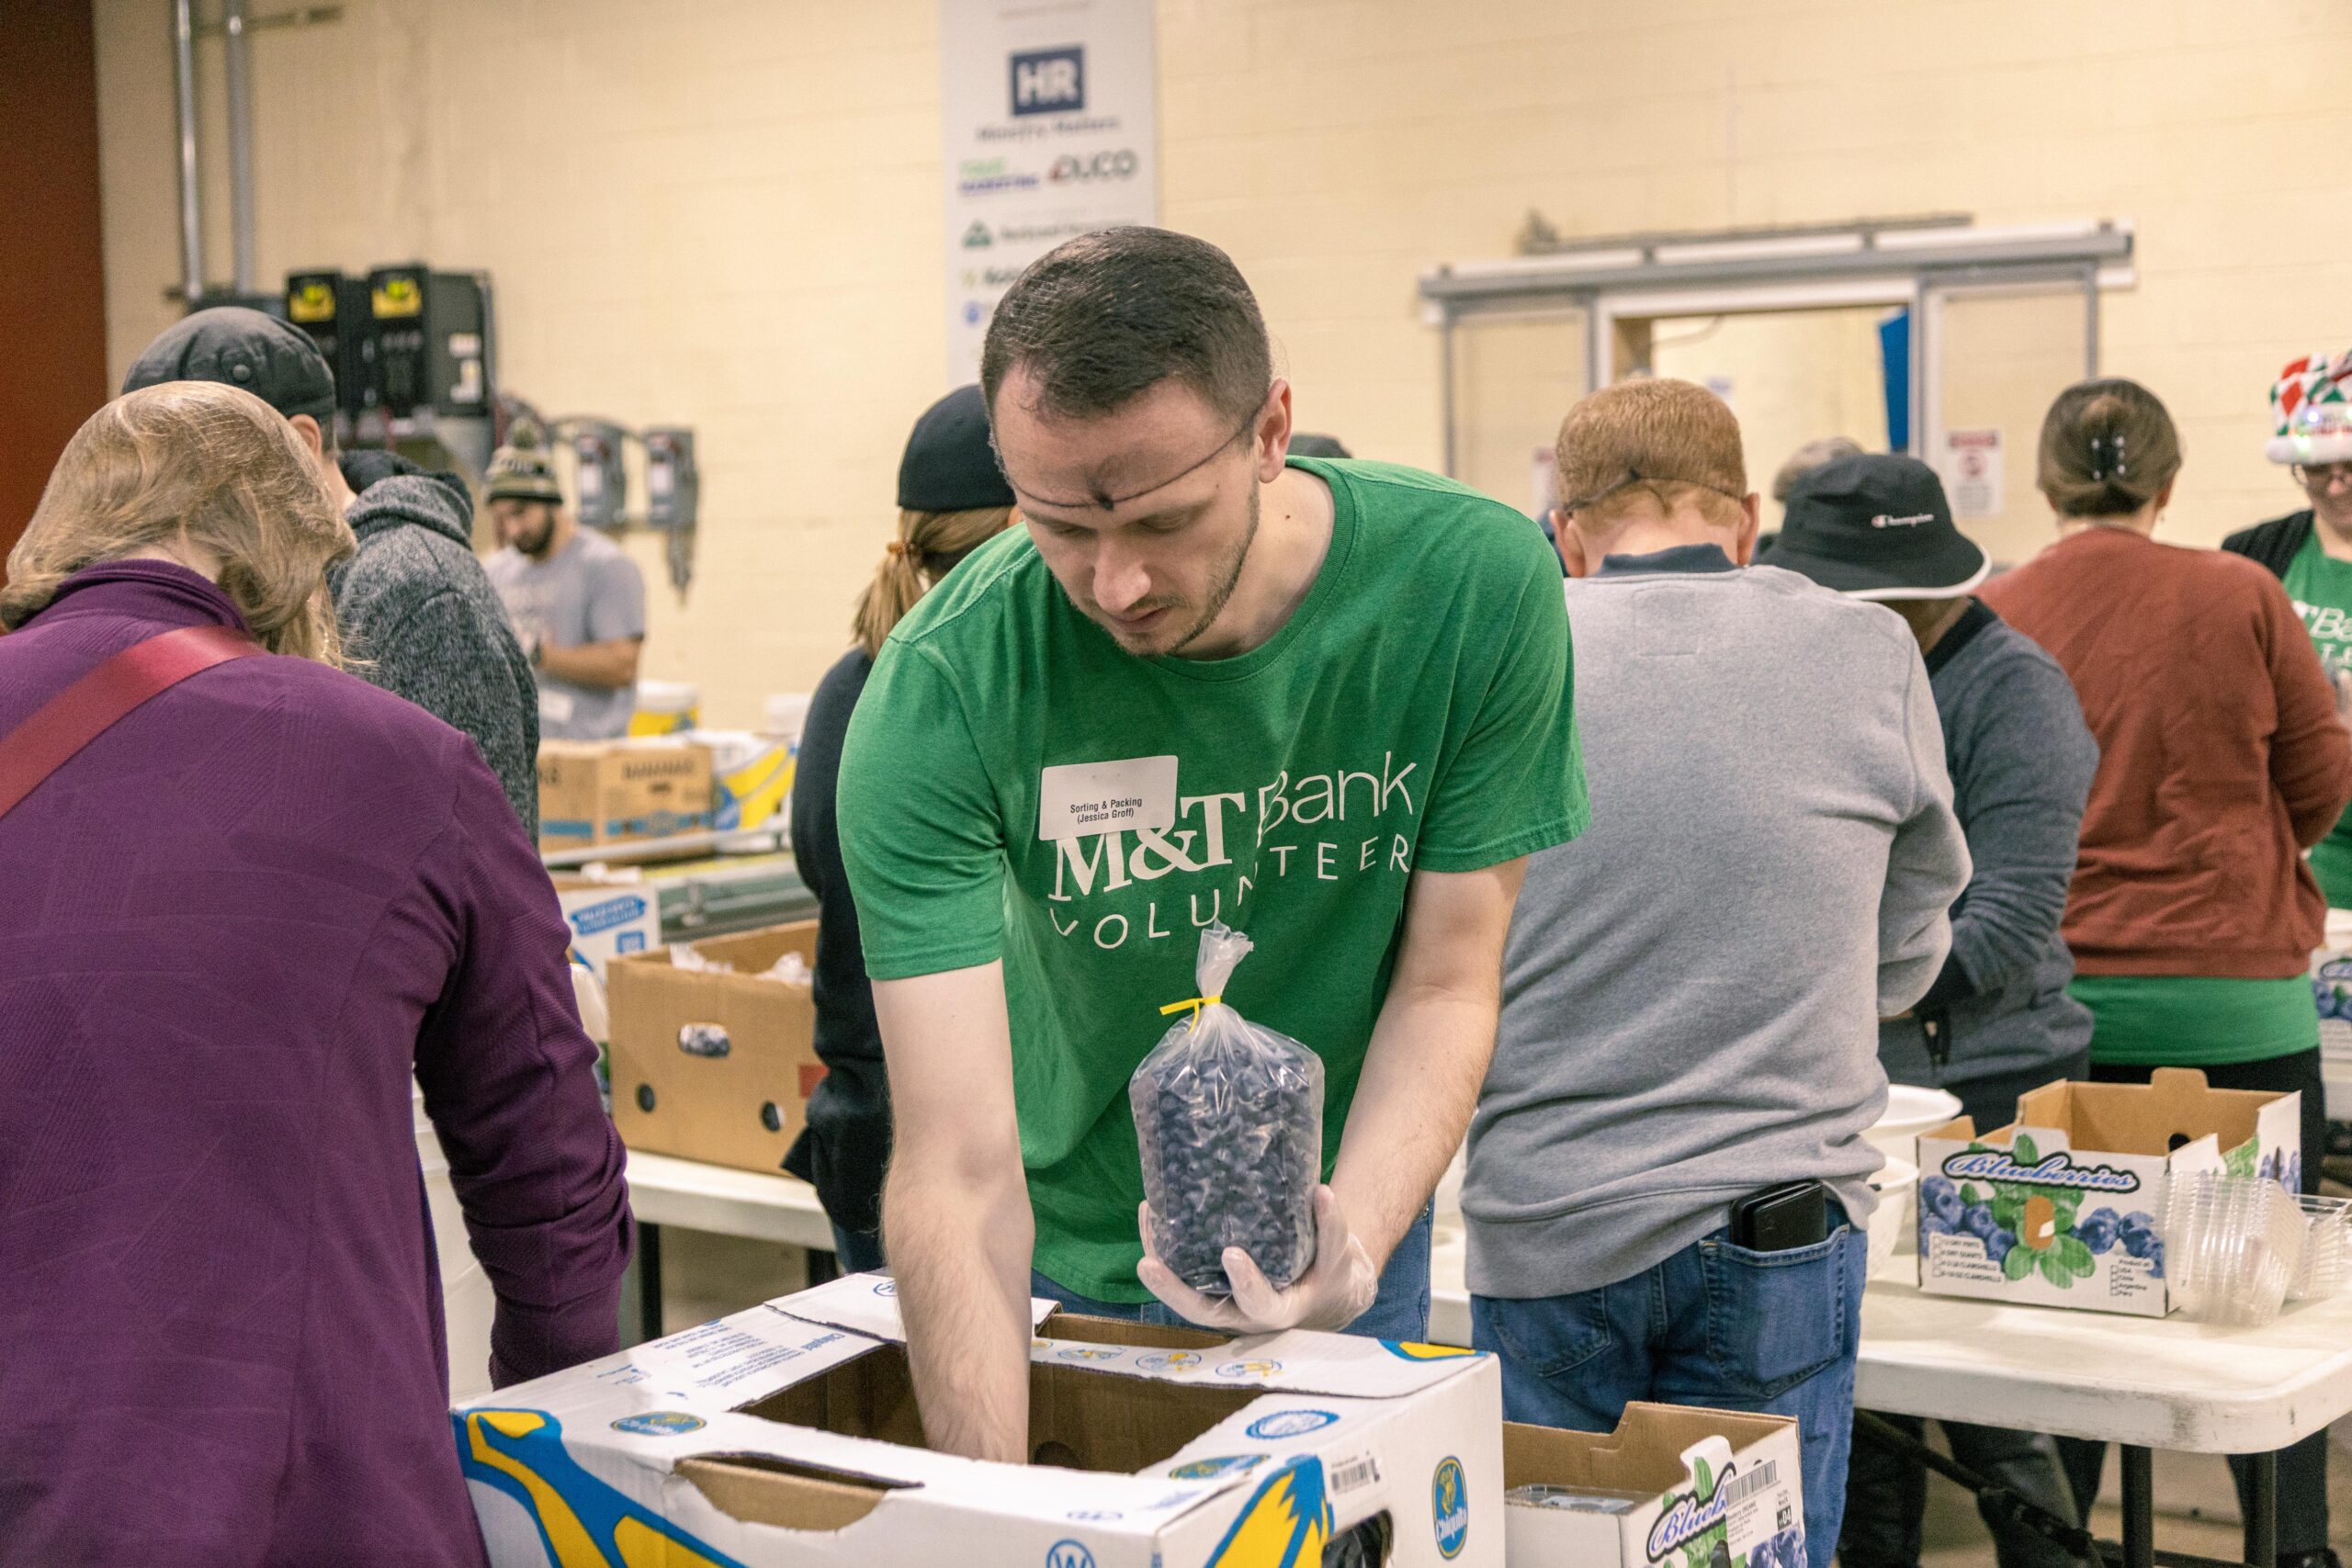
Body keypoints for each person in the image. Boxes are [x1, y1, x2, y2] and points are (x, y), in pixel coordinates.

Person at [838, 227, 1585, 1461]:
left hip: (1340, 1227)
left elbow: (1450, 973)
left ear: (1271, 429)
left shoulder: (1471, 585)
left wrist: (1353, 1238)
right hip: (1070, 1265)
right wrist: (1000, 1513)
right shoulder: (948, 684)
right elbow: (957, 1169)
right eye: (1057, 526)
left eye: (1163, 520)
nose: (1115, 582)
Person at [0, 382, 629, 1562]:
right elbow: (548, 1167)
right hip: (297, 1501)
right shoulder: (398, 764)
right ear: (282, 552)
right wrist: (552, 1433)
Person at [1466, 379, 1970, 1568]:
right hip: (1780, 1224)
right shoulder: (1867, 648)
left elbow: (1433, 951)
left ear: (1565, 530)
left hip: (1550, 1224)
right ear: (1746, 519)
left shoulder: (1496, 660)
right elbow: (1907, 954)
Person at [1980, 379, 2352, 1568]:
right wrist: (2240, 862)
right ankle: (2291, 1550)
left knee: (2071, 1317)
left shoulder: (1999, 608)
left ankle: (2058, 1547)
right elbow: (2322, 774)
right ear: (2172, 479)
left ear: (2046, 484)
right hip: (2238, 1010)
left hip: (2065, 1025)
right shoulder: (2242, 592)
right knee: (2265, 1314)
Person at [1762, 454, 2098, 1568]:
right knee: (1865, 1424)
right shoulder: (1821, 677)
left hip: (1987, 1100)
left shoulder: (2014, 692)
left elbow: (2003, 929)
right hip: (1847, 1094)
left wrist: (1802, 975)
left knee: (2004, 1424)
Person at [121, 306, 541, 833]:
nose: (168, 509)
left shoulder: (414, 595)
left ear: (297, 444)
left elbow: (476, 873)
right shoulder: (246, 588)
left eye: (190, 473)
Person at [781, 384, 1014, 1272]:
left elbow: (818, 866)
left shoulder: (851, 684)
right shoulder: (968, 695)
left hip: (865, 1127)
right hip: (944, 1145)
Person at [2225, 350, 2352, 908]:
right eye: (2317, 470)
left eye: (2351, 466)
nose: (2336, 485)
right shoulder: (2255, 554)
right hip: (2293, 848)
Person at [484, 423, 650, 740]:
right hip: (524, 755)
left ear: (551, 500)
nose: (513, 529)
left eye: (520, 513)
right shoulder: (495, 571)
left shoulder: (606, 566)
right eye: (503, 518)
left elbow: (622, 666)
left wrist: (536, 654)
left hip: (590, 756)